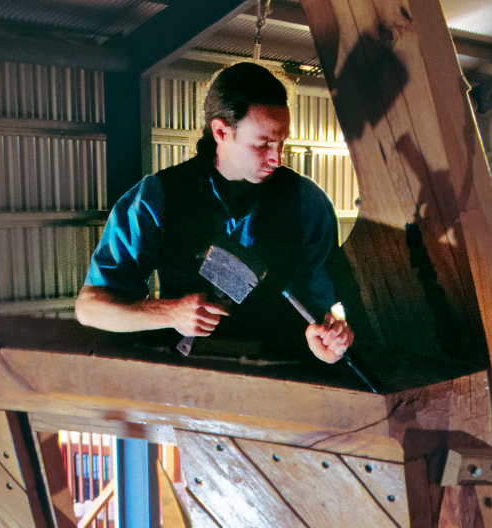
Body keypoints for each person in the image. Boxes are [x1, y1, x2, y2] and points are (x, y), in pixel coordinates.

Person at [75, 63, 353, 365]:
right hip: (189, 379)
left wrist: (325, 344)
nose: (277, 157)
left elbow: (318, 309)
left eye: (281, 141)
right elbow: (90, 307)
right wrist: (170, 312)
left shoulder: (307, 203)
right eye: (263, 144)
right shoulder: (158, 198)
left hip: (283, 375)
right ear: (221, 131)